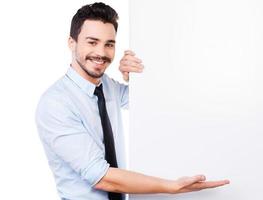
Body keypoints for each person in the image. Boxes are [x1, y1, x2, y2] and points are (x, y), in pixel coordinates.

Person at [35, 2, 229, 200]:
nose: (101, 53)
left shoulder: (108, 86)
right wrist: (171, 187)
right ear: (72, 43)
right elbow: (101, 177)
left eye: (109, 44)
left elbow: (155, 102)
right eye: (92, 42)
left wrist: (136, 78)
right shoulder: (55, 103)